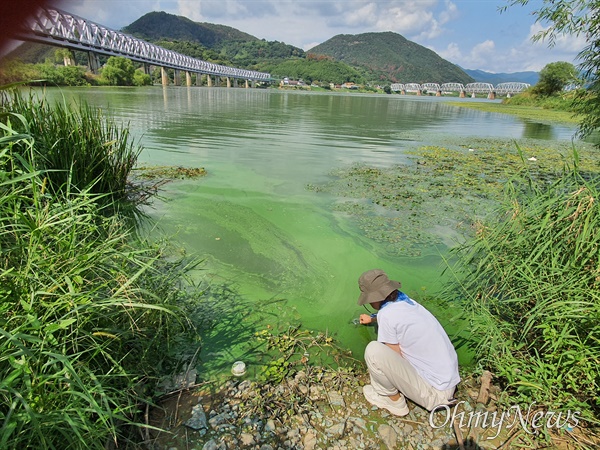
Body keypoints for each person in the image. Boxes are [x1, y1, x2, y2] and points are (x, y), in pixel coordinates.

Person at [357, 269, 460, 416]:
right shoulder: (405, 300)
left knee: (374, 351)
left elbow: (395, 357)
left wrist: (380, 319)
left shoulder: (387, 316)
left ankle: (392, 400)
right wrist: (374, 318)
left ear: (373, 298)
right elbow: (395, 318)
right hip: (448, 380)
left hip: (435, 394)